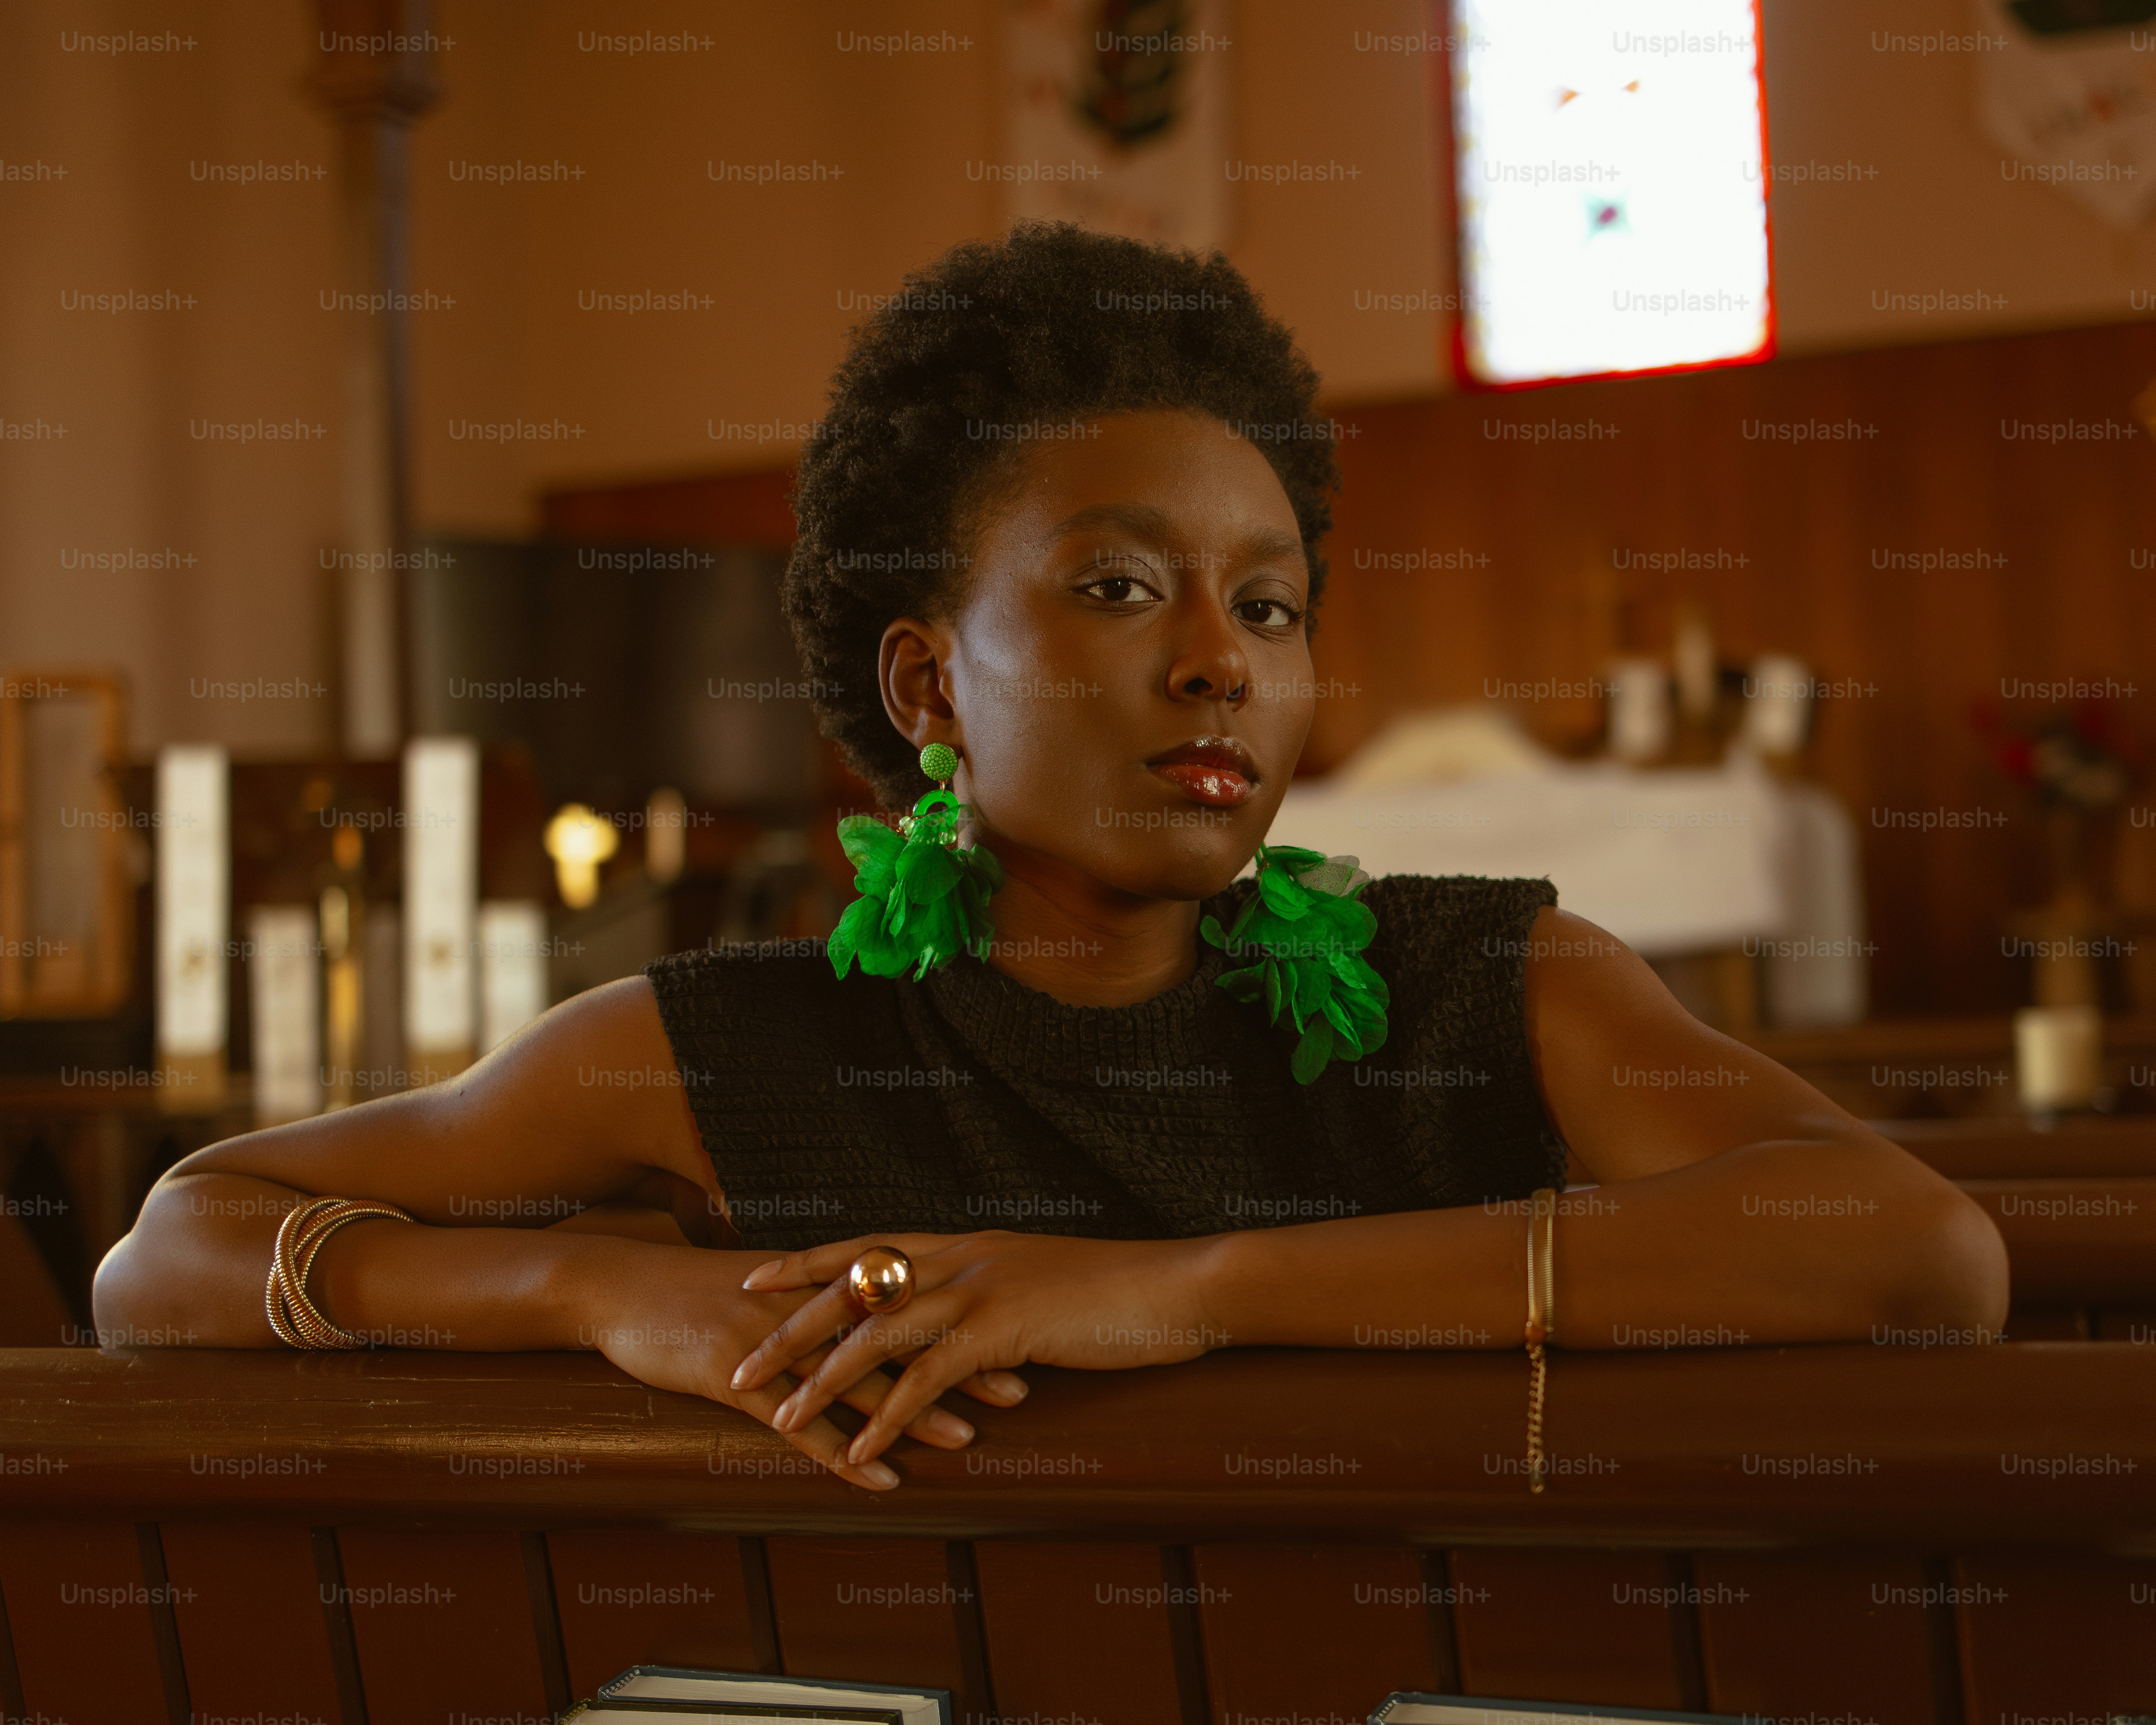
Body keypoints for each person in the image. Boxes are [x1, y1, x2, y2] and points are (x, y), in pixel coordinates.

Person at [94, 223, 2006, 1493]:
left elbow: (1922, 1253)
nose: (1216, 660)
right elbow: (165, 1254)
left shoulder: (1489, 980)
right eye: (1116, 587)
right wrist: (598, 1295)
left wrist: (1169, 1289)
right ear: (926, 679)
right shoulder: (733, 1045)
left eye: (1268, 605)